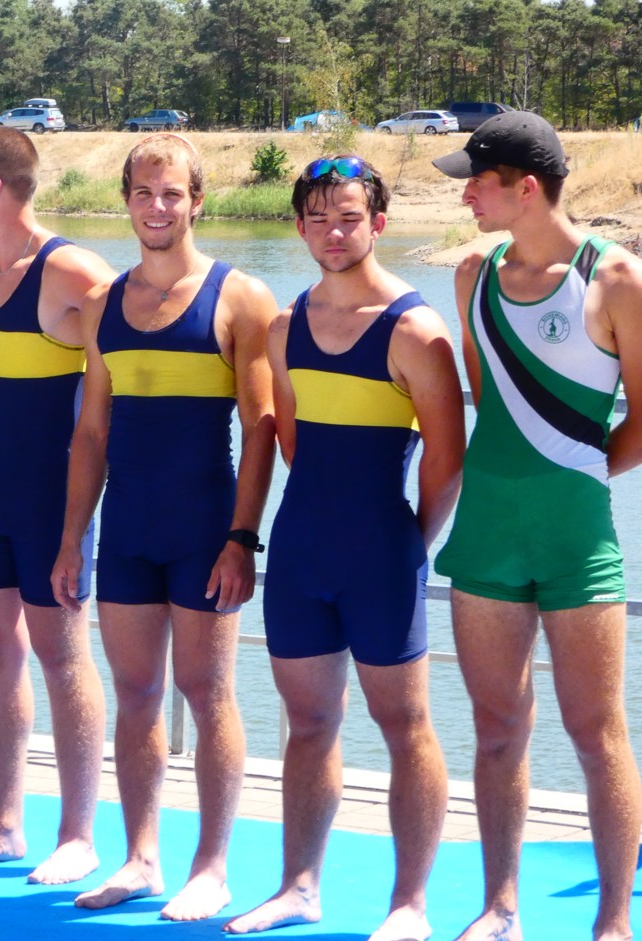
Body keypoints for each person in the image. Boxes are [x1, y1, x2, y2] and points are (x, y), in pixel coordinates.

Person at [224, 156, 464, 941]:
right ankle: (298, 886)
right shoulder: (285, 328)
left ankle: (410, 904)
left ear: (378, 223)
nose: (334, 231)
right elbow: (291, 440)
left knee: (406, 725)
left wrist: (407, 544)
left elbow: (445, 460)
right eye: (319, 218)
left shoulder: (417, 331)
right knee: (307, 723)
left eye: (350, 217)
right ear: (299, 227)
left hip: (381, 554)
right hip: (301, 551)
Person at [50, 133, 277, 920]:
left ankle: (211, 866)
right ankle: (141, 857)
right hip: (128, 530)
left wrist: (243, 537)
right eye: (144, 193)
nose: (157, 207)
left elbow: (260, 429)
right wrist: (72, 538)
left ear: (197, 202)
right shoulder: (104, 303)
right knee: (136, 692)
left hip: (205, 527)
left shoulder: (239, 297)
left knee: (207, 691)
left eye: (172, 193)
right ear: (126, 200)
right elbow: (91, 433)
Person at [432, 112, 642, 941]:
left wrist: (577, 470)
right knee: (496, 730)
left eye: (477, 182)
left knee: (598, 733)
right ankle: (499, 908)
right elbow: (491, 401)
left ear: (525, 188)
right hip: (486, 536)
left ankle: (612, 922)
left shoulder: (615, 279)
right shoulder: (470, 274)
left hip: (577, 543)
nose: (466, 196)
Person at [0, 127, 112, 884]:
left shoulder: (71, 271)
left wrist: (80, 521)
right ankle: (3, 825)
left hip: (52, 496)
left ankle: (79, 835)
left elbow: (129, 369)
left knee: (63, 656)